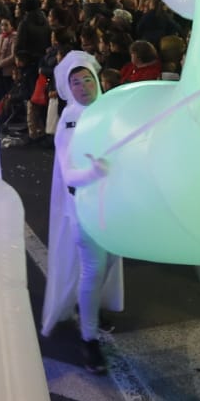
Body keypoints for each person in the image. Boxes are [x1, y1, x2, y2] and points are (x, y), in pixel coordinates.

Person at [39, 51, 121, 374]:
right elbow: (68, 172)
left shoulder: (111, 110)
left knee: (110, 263)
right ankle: (89, 340)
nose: (84, 86)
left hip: (114, 208)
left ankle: (85, 309)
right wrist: (94, 174)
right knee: (93, 269)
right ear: (67, 88)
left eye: (88, 78)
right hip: (84, 208)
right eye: (76, 82)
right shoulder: (71, 120)